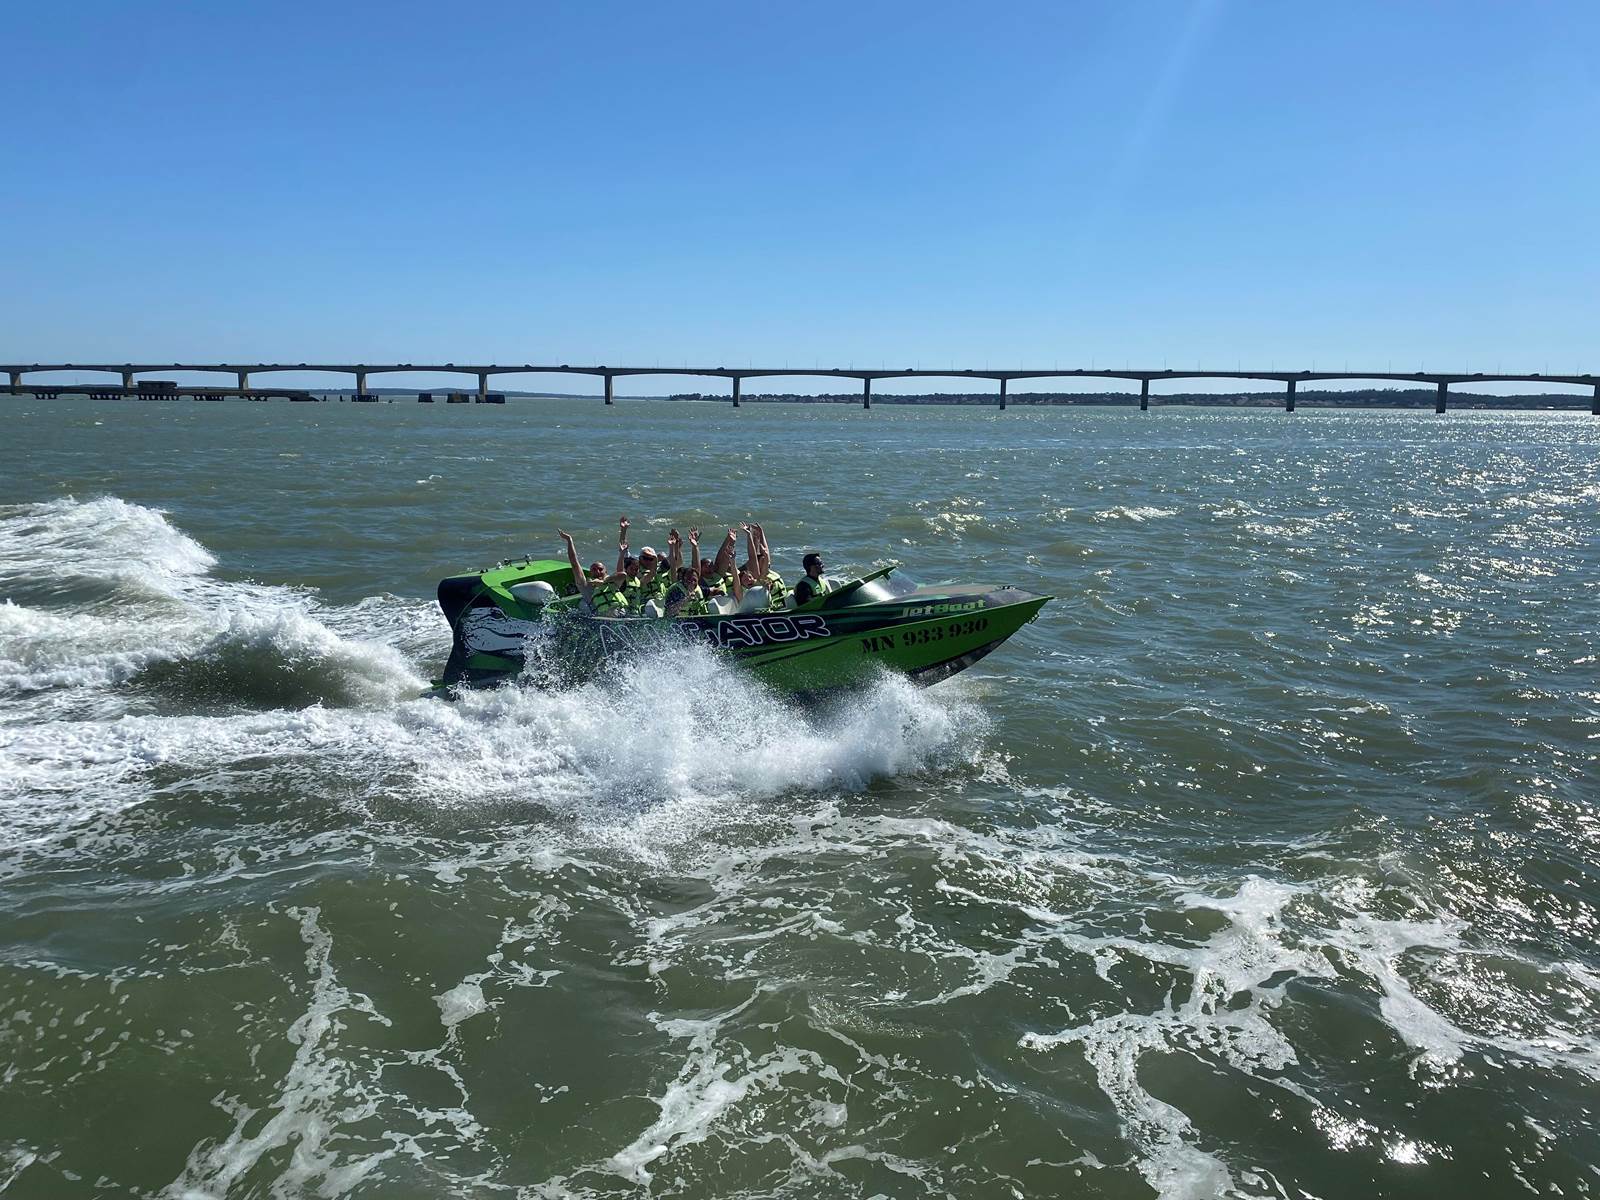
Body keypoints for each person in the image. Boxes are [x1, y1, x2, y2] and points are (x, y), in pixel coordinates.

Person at [557, 528, 629, 616]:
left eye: (600, 569)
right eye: (594, 570)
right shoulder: (586, 586)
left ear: (606, 571)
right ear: (590, 573)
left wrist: (604, 582)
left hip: (622, 616)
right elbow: (574, 563)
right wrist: (569, 540)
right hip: (603, 620)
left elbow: (623, 575)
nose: (597, 571)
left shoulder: (613, 583)